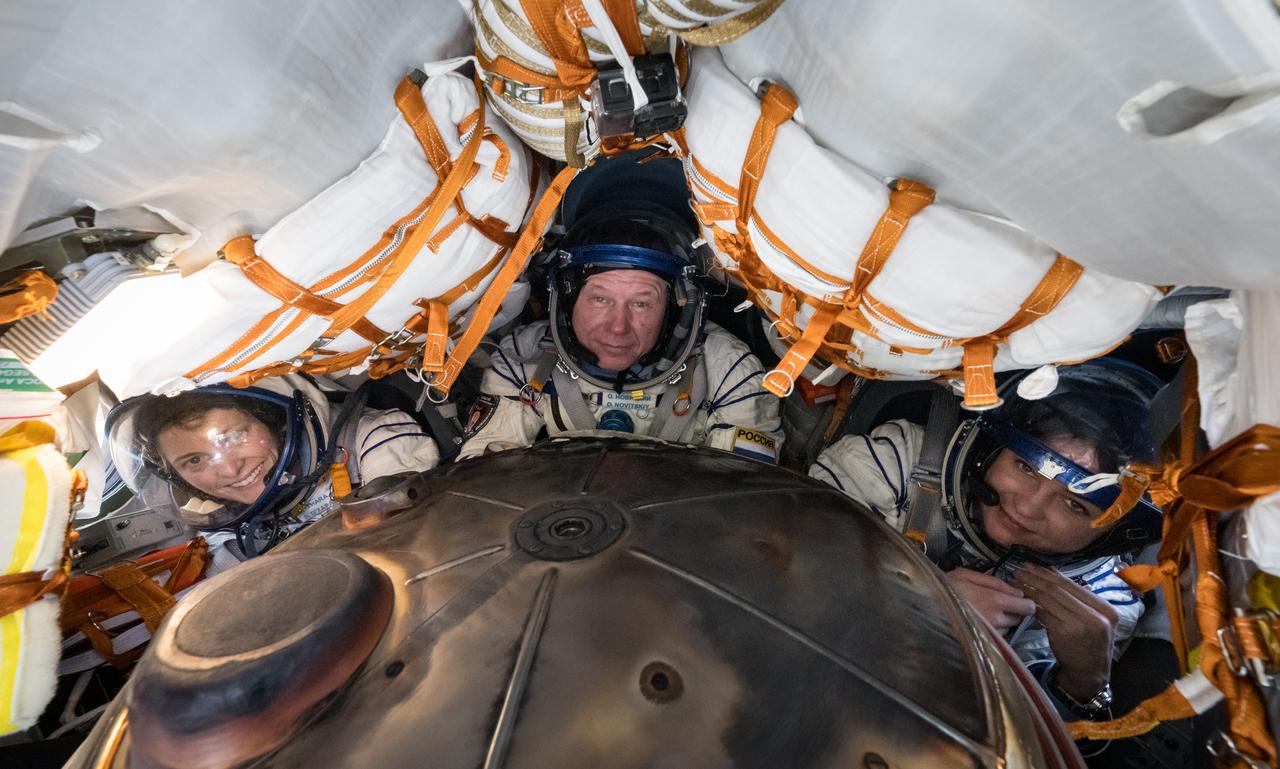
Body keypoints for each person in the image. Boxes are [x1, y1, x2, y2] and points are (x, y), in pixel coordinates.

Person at [810, 361, 1164, 720]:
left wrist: (1084, 683)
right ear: (993, 449)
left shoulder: (1105, 607)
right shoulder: (892, 467)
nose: (1027, 508)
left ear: (1112, 532)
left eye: (1075, 505)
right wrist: (920, 604)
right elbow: (783, 578)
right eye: (1026, 467)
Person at [457, 153, 783, 461]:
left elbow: (742, 502)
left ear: (676, 308)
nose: (618, 327)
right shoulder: (524, 358)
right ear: (568, 298)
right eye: (600, 299)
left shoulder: (726, 370)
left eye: (641, 304)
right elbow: (483, 479)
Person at [107, 374, 440, 571]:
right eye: (195, 460)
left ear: (276, 423)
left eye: (234, 436)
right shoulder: (224, 532)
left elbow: (417, 552)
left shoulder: (375, 439)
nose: (228, 468)